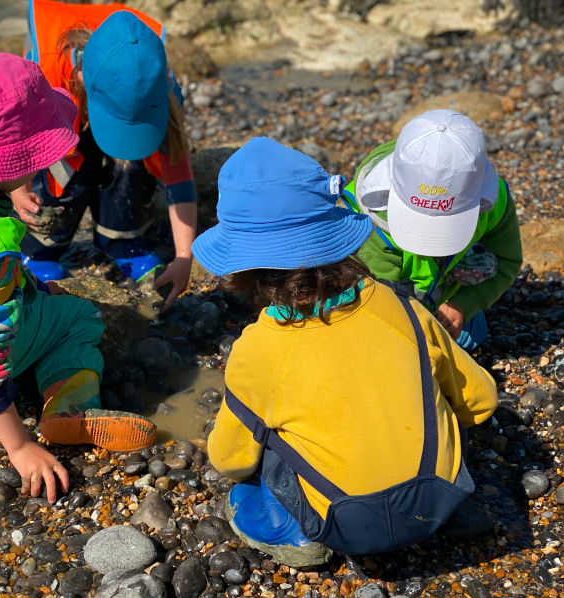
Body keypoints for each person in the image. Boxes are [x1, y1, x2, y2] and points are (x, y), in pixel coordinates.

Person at [191, 137, 497, 566]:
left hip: (344, 520)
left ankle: (295, 535)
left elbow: (230, 459)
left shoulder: (257, 350)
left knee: (255, 475)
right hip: (438, 497)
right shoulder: (401, 307)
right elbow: (480, 401)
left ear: (242, 269)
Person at [0, 54, 157, 504]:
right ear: (13, 163)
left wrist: (29, 286)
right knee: (80, 317)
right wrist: (20, 448)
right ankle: (69, 406)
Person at [13, 0, 198, 311]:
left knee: (134, 165)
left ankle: (124, 240)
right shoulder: (42, 80)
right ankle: (42, 249)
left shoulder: (157, 84)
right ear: (84, 81)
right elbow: (20, 142)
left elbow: (179, 176)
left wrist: (183, 257)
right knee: (61, 170)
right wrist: (20, 192)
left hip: (112, 95)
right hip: (62, 109)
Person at [342, 110, 523, 352]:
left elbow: (506, 261)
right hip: (382, 292)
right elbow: (378, 305)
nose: (431, 241)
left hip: (446, 286)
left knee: (466, 338)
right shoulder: (367, 221)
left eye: (448, 223)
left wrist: (463, 305)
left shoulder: (493, 202)